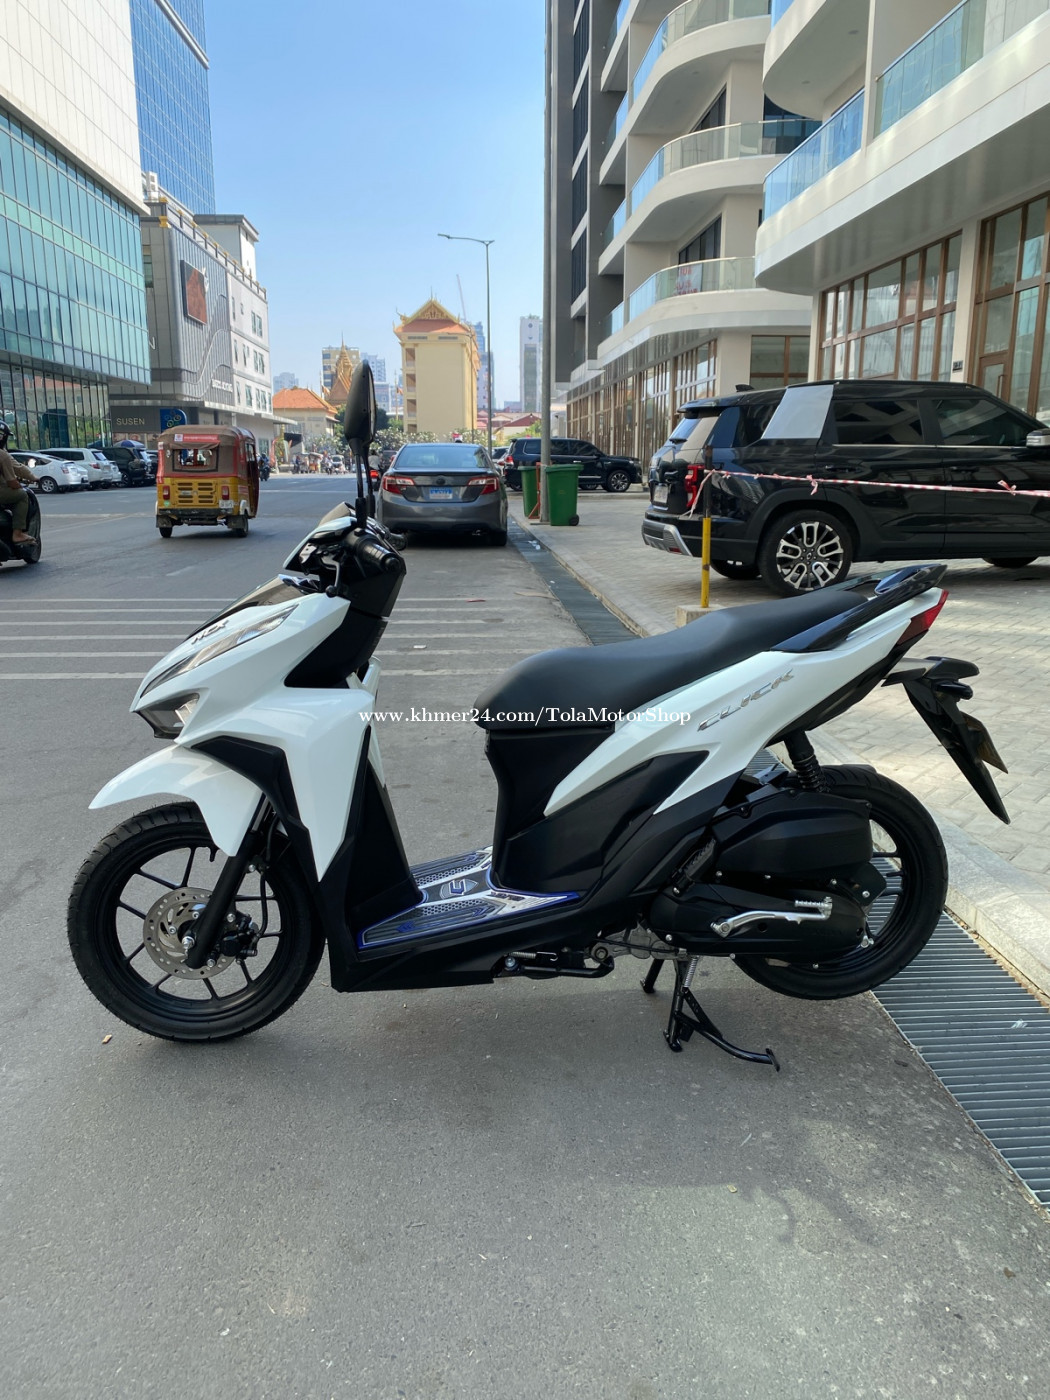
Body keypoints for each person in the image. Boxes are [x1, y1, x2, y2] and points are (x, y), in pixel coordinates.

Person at [0, 419, 36, 545]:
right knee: (22, 495)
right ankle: (18, 533)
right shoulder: (3, 455)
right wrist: (20, 484)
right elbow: (12, 482)